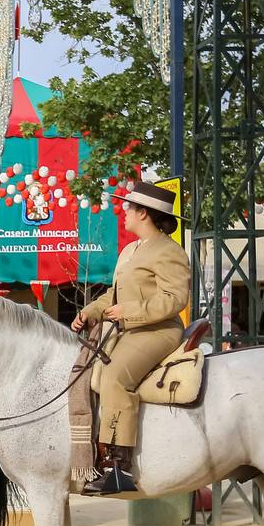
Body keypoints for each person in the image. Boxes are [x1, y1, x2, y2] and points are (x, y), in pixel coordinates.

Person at [72, 181, 191, 495]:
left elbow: (175, 299)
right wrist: (89, 312)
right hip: (128, 328)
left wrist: (130, 310)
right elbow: (112, 295)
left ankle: (118, 469)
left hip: (158, 330)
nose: (123, 212)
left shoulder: (169, 251)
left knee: (114, 376)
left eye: (128, 207)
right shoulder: (129, 250)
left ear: (144, 213)